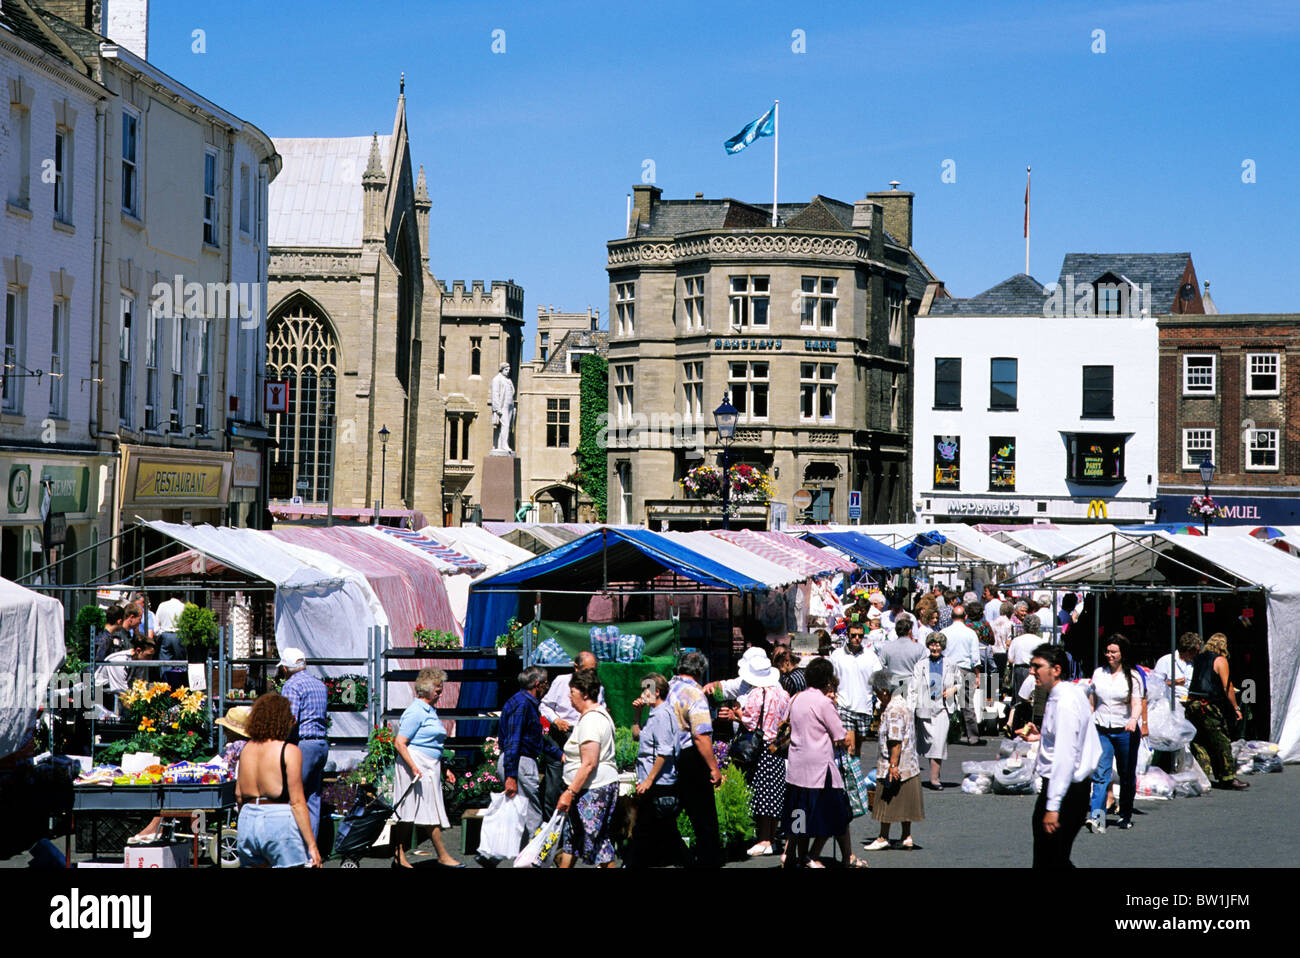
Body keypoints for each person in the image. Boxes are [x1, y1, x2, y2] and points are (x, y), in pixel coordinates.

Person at [1019, 644, 1101, 869]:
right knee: (1054, 858)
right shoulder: (1067, 693)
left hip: (1065, 790)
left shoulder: (1064, 702)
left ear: (1055, 670)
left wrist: (1053, 806)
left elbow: (1065, 757)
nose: (1032, 671)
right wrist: (1040, 737)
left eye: (1037, 666)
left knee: (1050, 859)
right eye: (1031, 666)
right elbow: (1069, 740)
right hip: (1068, 789)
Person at [783, 657, 864, 868]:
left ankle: (794, 855)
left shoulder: (796, 698)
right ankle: (817, 856)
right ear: (827, 679)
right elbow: (840, 735)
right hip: (820, 766)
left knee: (799, 814)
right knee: (836, 814)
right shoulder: (824, 702)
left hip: (796, 764)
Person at [234, 692, 321, 868]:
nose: (293, 722)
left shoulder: (246, 749)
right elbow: (297, 802)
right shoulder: (289, 751)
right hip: (278, 819)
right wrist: (312, 845)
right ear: (281, 720)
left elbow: (238, 794)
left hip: (248, 818)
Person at [720, 651, 791, 857]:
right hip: (776, 747)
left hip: (759, 748)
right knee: (773, 794)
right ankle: (770, 838)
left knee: (760, 794)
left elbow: (750, 721)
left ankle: (763, 839)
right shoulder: (782, 694)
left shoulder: (755, 694)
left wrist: (736, 714)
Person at [392, 668, 461, 868]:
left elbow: (433, 744)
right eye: (438, 690)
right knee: (415, 812)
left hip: (428, 765)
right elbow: (400, 743)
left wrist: (443, 769)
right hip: (415, 765)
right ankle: (442, 855)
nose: (440, 694)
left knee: (413, 813)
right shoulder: (415, 711)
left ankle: (399, 856)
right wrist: (413, 766)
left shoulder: (429, 710)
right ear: (426, 689)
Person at [555, 669, 619, 868]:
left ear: (584, 693)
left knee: (597, 842)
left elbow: (589, 762)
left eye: (572, 692)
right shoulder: (596, 716)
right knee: (573, 838)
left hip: (592, 789)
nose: (569, 696)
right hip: (592, 787)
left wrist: (569, 792)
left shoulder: (591, 720)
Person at [668, 651, 723, 868]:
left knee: (667, 812)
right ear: (701, 671)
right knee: (704, 818)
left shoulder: (668, 686)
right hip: (690, 757)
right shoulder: (695, 694)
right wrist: (713, 767)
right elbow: (700, 736)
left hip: (668, 756)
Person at [1087, 635, 1146, 833]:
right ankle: (1097, 818)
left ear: (1122, 654)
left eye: (1114, 652)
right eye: (1107, 651)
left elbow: (1137, 702)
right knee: (1101, 774)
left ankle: (1125, 814)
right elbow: (1092, 701)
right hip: (1102, 728)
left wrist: (1133, 720)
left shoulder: (1133, 676)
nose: (1109, 655)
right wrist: (1089, 720)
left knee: (1126, 774)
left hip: (1125, 731)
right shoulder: (1098, 674)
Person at [497, 665, 561, 845]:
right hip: (520, 763)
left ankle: (510, 858)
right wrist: (511, 775)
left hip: (517, 762)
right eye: (546, 683)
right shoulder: (523, 705)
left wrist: (558, 754)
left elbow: (533, 739)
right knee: (533, 817)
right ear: (538, 684)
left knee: (522, 818)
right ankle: (539, 858)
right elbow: (513, 741)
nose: (547, 688)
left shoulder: (522, 702)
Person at [538, 651, 605, 817]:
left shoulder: (598, 687)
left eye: (593, 671)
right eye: (587, 670)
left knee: (577, 779)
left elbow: (600, 708)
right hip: (560, 734)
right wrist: (556, 720)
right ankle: (551, 825)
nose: (590, 674)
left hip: (582, 734)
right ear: (576, 668)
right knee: (554, 782)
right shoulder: (562, 681)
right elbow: (544, 706)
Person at [629, 673, 685, 868]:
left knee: (645, 830)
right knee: (665, 831)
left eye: (645, 689)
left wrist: (649, 780)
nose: (642, 694)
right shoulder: (654, 713)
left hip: (659, 783)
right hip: (653, 781)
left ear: (656, 691)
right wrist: (637, 713)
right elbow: (637, 736)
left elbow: (664, 751)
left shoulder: (662, 715)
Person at [865, 670, 924, 850]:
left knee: (886, 801)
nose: (876, 697)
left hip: (895, 763)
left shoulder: (893, 709)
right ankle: (906, 836)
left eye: (876, 693)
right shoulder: (903, 704)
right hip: (910, 764)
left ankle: (883, 837)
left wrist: (892, 765)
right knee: (905, 801)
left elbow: (895, 740)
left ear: (884, 691)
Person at [277, 647, 329, 841]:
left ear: (285, 668)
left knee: (294, 797)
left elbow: (291, 719)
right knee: (313, 799)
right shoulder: (319, 685)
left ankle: (293, 848)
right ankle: (311, 850)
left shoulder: (291, 686)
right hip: (321, 744)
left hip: (303, 745)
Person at [1186, 632, 1248, 791]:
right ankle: (1228, 777)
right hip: (1208, 705)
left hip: (1192, 703)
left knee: (1200, 741)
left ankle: (1202, 776)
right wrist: (1236, 707)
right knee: (1222, 741)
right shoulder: (1220, 660)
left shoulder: (1199, 658)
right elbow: (1228, 686)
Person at [910, 633, 961, 790]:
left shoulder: (951, 664)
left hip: (943, 707)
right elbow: (913, 688)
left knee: (939, 743)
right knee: (929, 743)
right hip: (925, 706)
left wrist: (953, 689)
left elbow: (960, 683)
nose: (935, 648)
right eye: (932, 644)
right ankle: (930, 775)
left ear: (943, 646)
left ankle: (934, 779)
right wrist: (910, 710)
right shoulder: (921, 665)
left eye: (938, 645)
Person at [829, 621, 882, 758]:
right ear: (847, 635)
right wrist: (832, 697)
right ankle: (846, 778)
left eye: (860, 636)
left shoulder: (871, 656)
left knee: (857, 750)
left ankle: (853, 777)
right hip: (844, 705)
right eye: (853, 635)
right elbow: (830, 678)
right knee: (849, 747)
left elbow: (878, 680)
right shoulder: (837, 655)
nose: (857, 639)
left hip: (864, 706)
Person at [941, 604, 984, 745]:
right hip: (965, 669)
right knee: (967, 703)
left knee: (946, 702)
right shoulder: (970, 633)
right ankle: (972, 736)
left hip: (947, 668)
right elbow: (975, 657)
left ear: (951, 617)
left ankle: (944, 734)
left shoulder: (944, 632)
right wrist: (977, 675)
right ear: (965, 617)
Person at [1153, 632, 1201, 706]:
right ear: (1187, 650)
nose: (1196, 654)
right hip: (1169, 703)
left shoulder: (1195, 664)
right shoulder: (1166, 661)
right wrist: (1174, 683)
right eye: (1194, 651)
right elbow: (1154, 686)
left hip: (1190, 704)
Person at [877, 615, 925, 686]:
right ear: (910, 631)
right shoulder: (919, 648)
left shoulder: (887, 648)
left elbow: (880, 667)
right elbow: (924, 669)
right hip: (912, 686)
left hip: (893, 686)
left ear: (896, 631)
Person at [154, 591, 187, 688]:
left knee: (165, 663)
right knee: (180, 663)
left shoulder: (162, 605)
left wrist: (160, 633)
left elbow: (157, 622)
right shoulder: (183, 607)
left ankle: (165, 686)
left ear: (171, 594)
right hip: (179, 635)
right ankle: (179, 687)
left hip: (165, 635)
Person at [490, 362, 515, 453]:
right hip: (502, 406)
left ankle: (500, 444)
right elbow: (495, 394)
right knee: (505, 425)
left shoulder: (508, 380)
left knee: (508, 426)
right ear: (501, 369)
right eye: (506, 370)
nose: (508, 372)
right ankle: (504, 445)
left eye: (509, 370)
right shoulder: (497, 379)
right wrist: (497, 408)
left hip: (510, 406)